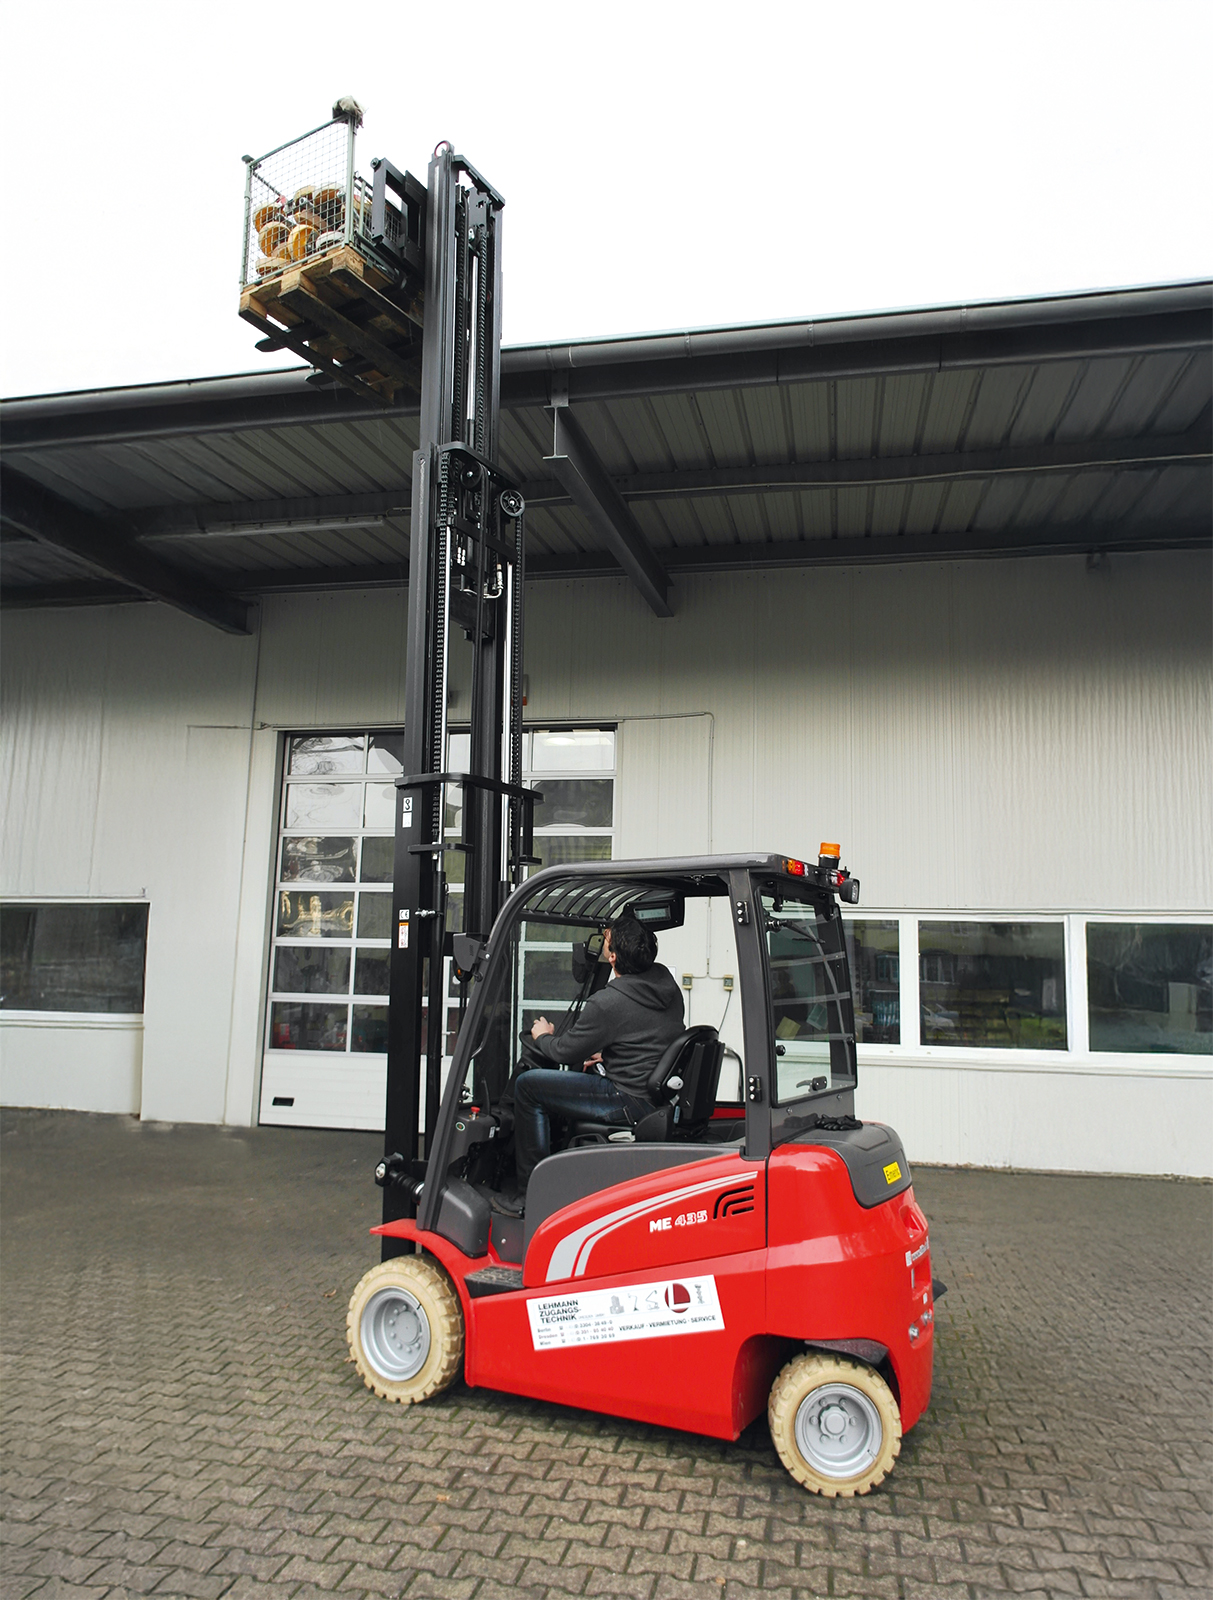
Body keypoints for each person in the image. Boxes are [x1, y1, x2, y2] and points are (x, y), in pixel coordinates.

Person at [494, 913, 685, 1214]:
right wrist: (609, 1056)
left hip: (627, 1097)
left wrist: (543, 1036)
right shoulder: (665, 984)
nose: (604, 941)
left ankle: (530, 1197)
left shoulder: (609, 1002)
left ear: (612, 957)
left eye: (606, 940)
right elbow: (650, 1036)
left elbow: (564, 1052)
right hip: (653, 1093)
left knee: (528, 1086)